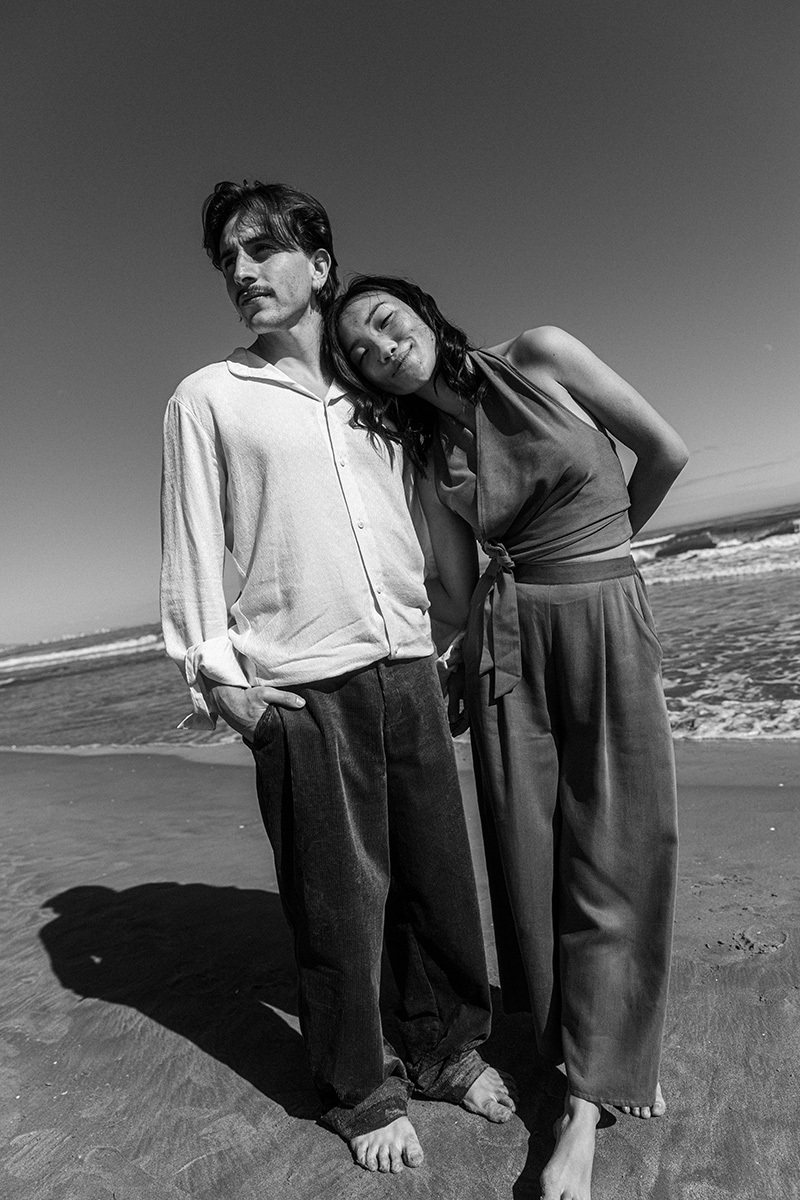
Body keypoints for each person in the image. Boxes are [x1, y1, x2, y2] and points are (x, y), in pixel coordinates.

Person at [159, 184, 516, 1174]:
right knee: (337, 907)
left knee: (436, 885)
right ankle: (361, 1090)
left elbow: (430, 513)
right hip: (302, 689)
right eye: (228, 257)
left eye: (263, 248)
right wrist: (219, 682)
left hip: (405, 664)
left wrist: (443, 634)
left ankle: (445, 1049)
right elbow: (191, 546)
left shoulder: (376, 399)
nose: (241, 271)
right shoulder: (208, 397)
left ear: (319, 262)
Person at [330, 274, 688, 1200]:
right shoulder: (428, 455)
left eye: (383, 321)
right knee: (533, 862)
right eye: (360, 355)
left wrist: (600, 557)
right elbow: (449, 591)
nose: (380, 346)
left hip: (604, 618)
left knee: (620, 846)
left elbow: (665, 451)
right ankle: (580, 1062)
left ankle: (587, 1100)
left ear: (421, 308)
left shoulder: (543, 354)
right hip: (505, 643)